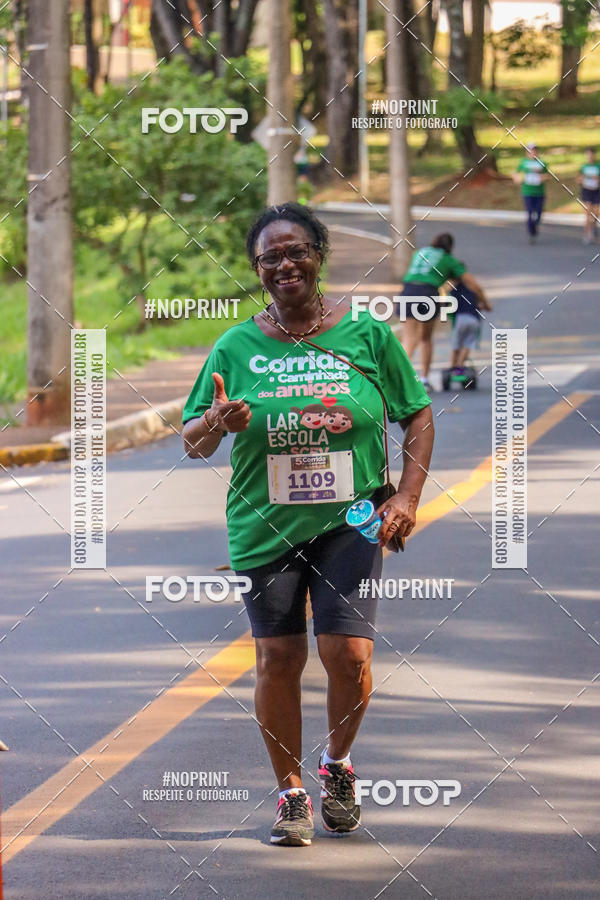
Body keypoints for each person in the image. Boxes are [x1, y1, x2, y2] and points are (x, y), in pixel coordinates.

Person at [182, 203, 434, 847]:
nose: (285, 264)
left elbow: (417, 414)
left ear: (319, 256)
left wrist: (405, 497)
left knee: (347, 655)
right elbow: (192, 441)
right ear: (257, 270)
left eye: (297, 251)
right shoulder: (235, 345)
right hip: (263, 525)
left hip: (353, 517)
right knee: (279, 657)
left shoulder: (367, 335)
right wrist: (219, 422)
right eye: (270, 257)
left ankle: (338, 765)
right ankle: (291, 794)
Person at [399, 233, 483, 393]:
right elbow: (471, 282)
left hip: (408, 290)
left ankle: (401, 381)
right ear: (450, 247)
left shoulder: (420, 253)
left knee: (408, 340)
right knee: (425, 339)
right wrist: (484, 300)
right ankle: (423, 380)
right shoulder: (448, 259)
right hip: (427, 292)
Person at [448, 278, 492, 373]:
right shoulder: (473, 290)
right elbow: (480, 304)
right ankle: (460, 366)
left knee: (456, 343)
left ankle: (452, 366)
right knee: (467, 343)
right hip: (473, 319)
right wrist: (486, 306)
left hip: (460, 319)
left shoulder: (453, 292)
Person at [513, 142, 549, 243]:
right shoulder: (523, 163)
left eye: (535, 150)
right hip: (527, 191)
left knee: (538, 212)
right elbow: (516, 174)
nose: (533, 153)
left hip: (539, 192)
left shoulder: (542, 163)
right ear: (527, 152)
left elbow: (547, 175)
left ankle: (535, 225)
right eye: (530, 151)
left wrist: (542, 178)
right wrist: (518, 179)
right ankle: (531, 233)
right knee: (529, 212)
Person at [577, 147, 600, 244]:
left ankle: (593, 226)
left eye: (591, 155)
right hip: (586, 191)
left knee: (596, 213)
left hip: (596, 191)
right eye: (588, 155)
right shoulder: (584, 167)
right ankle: (587, 234)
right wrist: (582, 178)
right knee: (587, 213)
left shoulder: (598, 166)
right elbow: (578, 180)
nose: (590, 157)